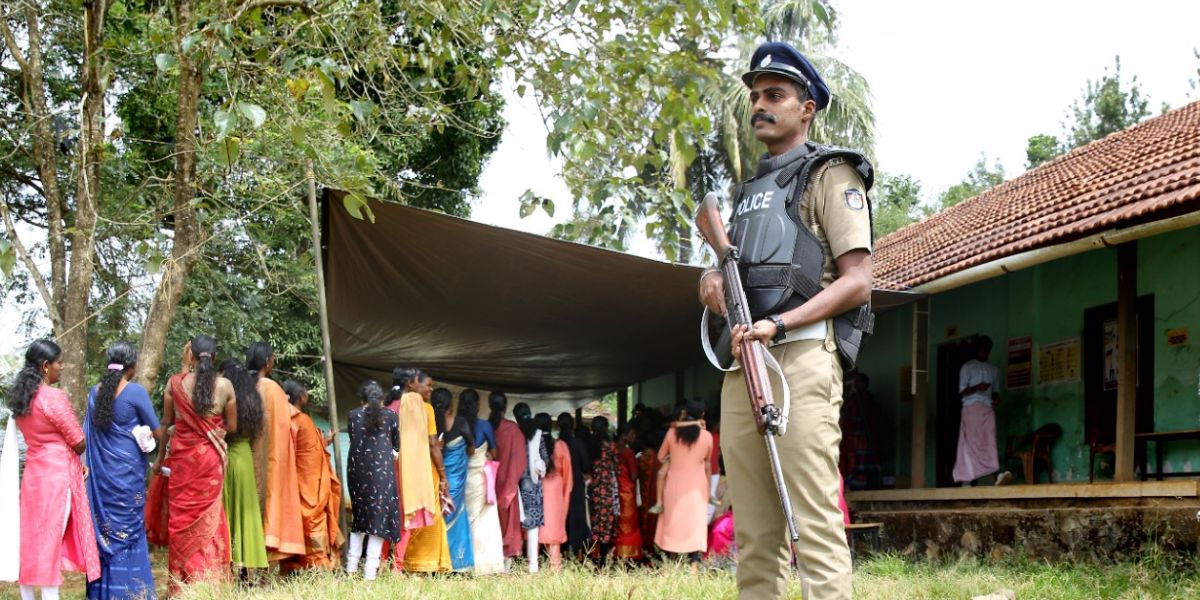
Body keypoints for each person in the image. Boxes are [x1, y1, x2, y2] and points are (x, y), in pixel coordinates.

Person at [697, 41, 874, 599]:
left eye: (775, 95)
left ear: (807, 108)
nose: (760, 105)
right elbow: (734, 266)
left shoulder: (831, 174)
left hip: (800, 359)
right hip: (742, 365)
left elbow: (857, 281)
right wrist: (709, 278)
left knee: (813, 522)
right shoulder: (750, 192)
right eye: (755, 96)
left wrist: (780, 324)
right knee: (754, 533)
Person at [10, 339, 100, 599]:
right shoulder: (53, 397)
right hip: (57, 477)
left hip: (33, 475)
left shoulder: (21, 399)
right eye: (59, 363)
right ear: (45, 366)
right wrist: (76, 454)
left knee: (30, 541)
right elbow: (78, 440)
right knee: (50, 543)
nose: (63, 367)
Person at [152, 335, 236, 592]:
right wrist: (210, 431)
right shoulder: (225, 386)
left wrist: (159, 461)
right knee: (211, 518)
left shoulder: (175, 383)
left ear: (191, 355)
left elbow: (166, 423)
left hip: (183, 463)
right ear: (215, 355)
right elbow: (232, 426)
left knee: (181, 520)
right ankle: (211, 585)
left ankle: (182, 586)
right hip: (210, 462)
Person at [83, 341, 161, 600]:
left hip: (102, 481)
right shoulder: (135, 392)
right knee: (130, 533)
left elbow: (88, 436)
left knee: (105, 532)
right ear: (132, 366)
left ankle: (102, 592)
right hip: (128, 479)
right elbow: (158, 431)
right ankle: (132, 592)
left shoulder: (94, 393)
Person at [245, 342, 305, 564]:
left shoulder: (241, 385)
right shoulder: (273, 389)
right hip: (269, 457)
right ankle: (262, 563)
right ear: (268, 362)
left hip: (244, 456)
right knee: (267, 507)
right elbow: (285, 426)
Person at [282, 380, 343, 571]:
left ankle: (305, 562)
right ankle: (317, 563)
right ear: (301, 396)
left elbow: (308, 448)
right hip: (309, 484)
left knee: (306, 521)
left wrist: (324, 442)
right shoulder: (299, 420)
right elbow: (302, 452)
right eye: (306, 393)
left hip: (305, 481)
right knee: (313, 522)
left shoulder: (294, 418)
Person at [217, 359, 268, 579]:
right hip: (245, 458)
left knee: (227, 511)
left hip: (225, 456)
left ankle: (227, 564)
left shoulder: (225, 397)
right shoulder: (253, 399)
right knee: (246, 513)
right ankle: (247, 571)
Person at [344, 380, 400, 580]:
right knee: (378, 520)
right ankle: (369, 573)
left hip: (357, 471)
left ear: (362, 399)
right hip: (382, 474)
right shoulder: (391, 416)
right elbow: (396, 445)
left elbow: (355, 439)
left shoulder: (352, 415)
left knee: (359, 519)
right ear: (381, 398)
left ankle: (351, 569)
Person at [654, 399, 712, 563]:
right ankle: (693, 566)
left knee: (674, 523)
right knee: (695, 523)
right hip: (697, 487)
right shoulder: (707, 436)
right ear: (702, 414)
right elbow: (707, 462)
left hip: (674, 485)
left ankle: (671, 563)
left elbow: (660, 457)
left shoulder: (672, 433)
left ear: (685, 413)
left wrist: (673, 457)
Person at [403, 377, 451, 573]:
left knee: (409, 512)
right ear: (413, 384)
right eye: (428, 385)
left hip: (404, 468)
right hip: (425, 469)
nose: (431, 390)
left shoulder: (398, 406)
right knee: (429, 511)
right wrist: (443, 476)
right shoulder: (427, 409)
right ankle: (427, 561)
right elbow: (432, 445)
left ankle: (405, 560)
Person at [953, 336, 1012, 486]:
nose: (984, 353)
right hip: (972, 407)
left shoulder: (994, 369)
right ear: (977, 350)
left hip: (988, 408)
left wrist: (996, 399)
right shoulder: (967, 367)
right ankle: (967, 479)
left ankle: (994, 475)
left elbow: (995, 392)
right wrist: (977, 387)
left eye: (987, 350)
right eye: (982, 350)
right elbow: (962, 390)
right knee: (973, 444)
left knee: (990, 441)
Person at [460, 389, 506, 574]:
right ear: (478, 405)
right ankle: (483, 563)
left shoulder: (455, 424)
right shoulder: (485, 425)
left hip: (460, 478)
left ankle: (463, 561)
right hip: (480, 478)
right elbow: (494, 453)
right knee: (484, 520)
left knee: (464, 518)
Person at [436, 389, 475, 572]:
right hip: (456, 478)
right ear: (451, 404)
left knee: (439, 516)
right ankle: (458, 563)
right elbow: (471, 448)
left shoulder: (431, 424)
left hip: (437, 477)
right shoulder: (461, 422)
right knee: (457, 515)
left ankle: (439, 560)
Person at [488, 391, 526, 563]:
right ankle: (505, 559)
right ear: (505, 406)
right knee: (507, 522)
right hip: (508, 480)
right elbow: (520, 459)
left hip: (487, 481)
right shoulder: (513, 429)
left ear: (489, 406)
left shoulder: (485, 426)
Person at [514, 402, 547, 573]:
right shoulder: (538, 434)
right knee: (532, 525)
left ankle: (511, 560)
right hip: (532, 485)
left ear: (516, 417)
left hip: (514, 484)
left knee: (513, 522)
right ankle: (532, 565)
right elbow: (546, 459)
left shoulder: (513, 432)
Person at [538, 413, 570, 571]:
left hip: (538, 486)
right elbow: (568, 475)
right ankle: (555, 566)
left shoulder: (532, 445)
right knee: (554, 525)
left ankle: (533, 564)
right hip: (556, 489)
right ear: (551, 426)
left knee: (536, 528)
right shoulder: (560, 445)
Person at [588, 416, 620, 563]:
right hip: (606, 487)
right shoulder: (610, 445)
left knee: (594, 519)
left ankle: (592, 555)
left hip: (593, 487)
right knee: (606, 521)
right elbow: (617, 467)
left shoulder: (589, 443)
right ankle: (603, 559)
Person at [612, 424, 643, 561]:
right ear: (624, 436)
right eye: (632, 434)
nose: (634, 437)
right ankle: (627, 552)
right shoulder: (628, 452)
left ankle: (614, 550)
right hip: (626, 492)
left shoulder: (611, 449)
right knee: (628, 524)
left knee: (615, 522)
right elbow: (633, 475)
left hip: (613, 490)